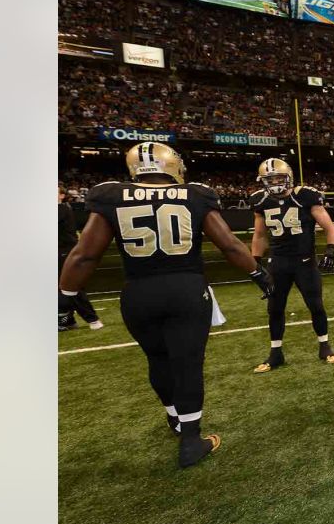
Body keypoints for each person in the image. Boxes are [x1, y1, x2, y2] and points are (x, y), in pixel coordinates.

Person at [58, 142, 273, 467]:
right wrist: (258, 274)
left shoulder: (111, 195)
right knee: (187, 363)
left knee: (157, 359)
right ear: (173, 166)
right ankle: (190, 440)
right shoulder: (195, 194)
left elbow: (85, 254)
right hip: (185, 289)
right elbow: (229, 245)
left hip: (138, 292)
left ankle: (174, 418)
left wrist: (66, 298)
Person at [249, 158, 334, 373]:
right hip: (278, 262)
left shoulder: (304, 196)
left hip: (304, 261)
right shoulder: (260, 201)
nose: (274, 183)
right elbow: (260, 235)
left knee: (315, 305)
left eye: (278, 178)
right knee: (274, 309)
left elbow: (329, 226)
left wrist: (330, 250)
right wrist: (255, 263)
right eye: (269, 179)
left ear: (289, 176)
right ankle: (275, 353)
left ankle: (325, 346)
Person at [58, 186, 102, 331]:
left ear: (62, 196)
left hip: (65, 252)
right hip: (61, 251)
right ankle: (67, 320)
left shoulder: (61, 209)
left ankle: (93, 319)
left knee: (71, 286)